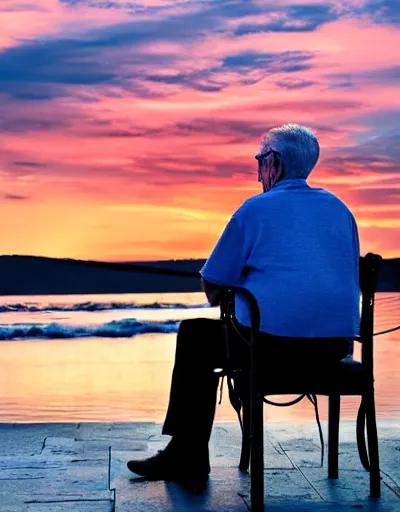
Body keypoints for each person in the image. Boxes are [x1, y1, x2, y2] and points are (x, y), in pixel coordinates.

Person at [126, 123, 360, 491]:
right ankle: (186, 451)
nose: (256, 172)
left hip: (272, 350)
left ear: (275, 164)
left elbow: (213, 287)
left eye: (259, 160)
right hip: (334, 349)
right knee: (213, 333)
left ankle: (187, 453)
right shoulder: (341, 210)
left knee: (195, 334)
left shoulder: (256, 210)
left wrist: (242, 285)